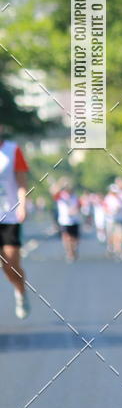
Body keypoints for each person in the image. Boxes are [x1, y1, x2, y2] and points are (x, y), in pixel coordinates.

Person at [0, 124, 31, 319]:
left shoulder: (12, 150)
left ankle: (20, 291)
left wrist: (22, 204)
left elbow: (21, 182)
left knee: (9, 263)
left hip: (8, 216)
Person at [51, 178, 82, 262]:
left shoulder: (75, 197)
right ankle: (69, 252)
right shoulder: (61, 195)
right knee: (66, 237)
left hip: (75, 220)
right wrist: (60, 184)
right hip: (64, 220)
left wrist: (75, 210)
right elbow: (53, 192)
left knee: (75, 239)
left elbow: (79, 206)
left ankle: (74, 249)